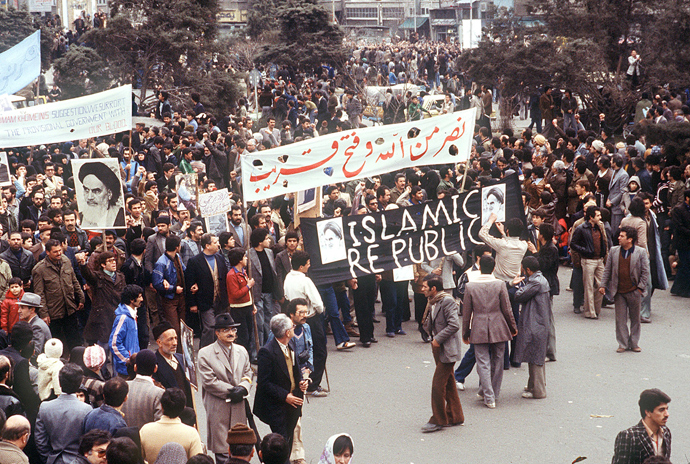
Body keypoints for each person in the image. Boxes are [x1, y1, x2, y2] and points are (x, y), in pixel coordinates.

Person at [462, 255, 517, 409]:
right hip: (498, 325)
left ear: (479, 267)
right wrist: (513, 327)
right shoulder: (500, 284)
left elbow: (466, 313)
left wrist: (465, 332)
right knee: (498, 361)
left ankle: (487, 394)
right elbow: (507, 309)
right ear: (494, 268)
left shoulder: (470, 286)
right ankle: (493, 393)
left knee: (483, 362)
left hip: (478, 325)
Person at [197, 313, 252, 464]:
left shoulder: (242, 351)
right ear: (217, 333)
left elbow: (248, 373)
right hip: (218, 406)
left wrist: (243, 387)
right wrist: (232, 391)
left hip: (238, 405)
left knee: (239, 448)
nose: (231, 333)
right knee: (222, 451)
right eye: (226, 330)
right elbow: (209, 381)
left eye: (233, 330)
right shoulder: (205, 353)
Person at [254, 314, 308, 452]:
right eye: (292, 327)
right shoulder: (267, 352)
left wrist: (301, 381)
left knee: (288, 440)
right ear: (287, 332)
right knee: (282, 442)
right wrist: (285, 396)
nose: (294, 328)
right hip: (277, 406)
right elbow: (263, 383)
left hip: (294, 402)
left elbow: (295, 368)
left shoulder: (290, 343)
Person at [420, 276, 464, 432]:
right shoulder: (433, 301)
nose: (422, 289)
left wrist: (437, 339)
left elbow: (454, 324)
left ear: (433, 288)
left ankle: (438, 420)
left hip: (447, 349)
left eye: (425, 286)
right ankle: (455, 416)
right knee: (450, 383)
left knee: (438, 386)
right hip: (439, 348)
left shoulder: (447, 301)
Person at [283, 251, 328, 396]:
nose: (309, 266)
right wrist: (320, 311)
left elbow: (286, 296)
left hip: (293, 317)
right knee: (318, 351)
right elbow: (317, 303)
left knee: (299, 350)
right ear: (302, 266)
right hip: (310, 318)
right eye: (308, 263)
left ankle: (301, 381)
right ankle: (313, 385)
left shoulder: (288, 278)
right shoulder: (305, 281)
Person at [600, 226, 649, 353]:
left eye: (622, 236)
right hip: (619, 291)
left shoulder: (641, 252)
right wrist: (603, 285)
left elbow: (645, 273)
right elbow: (608, 270)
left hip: (634, 290)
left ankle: (634, 343)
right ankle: (622, 343)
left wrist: (640, 289)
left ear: (630, 239)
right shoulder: (614, 251)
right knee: (620, 319)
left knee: (635, 318)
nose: (619, 238)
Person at [32, 239, 85, 354]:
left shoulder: (66, 261)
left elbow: (74, 280)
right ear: (47, 252)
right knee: (56, 343)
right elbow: (39, 293)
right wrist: (44, 314)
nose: (59, 254)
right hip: (53, 312)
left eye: (60, 250)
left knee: (74, 340)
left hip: (69, 308)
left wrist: (81, 297)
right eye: (55, 252)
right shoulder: (39, 269)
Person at [35, 364, 93, 464]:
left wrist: (47, 459)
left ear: (60, 383)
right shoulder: (87, 409)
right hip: (78, 460)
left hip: (53, 459)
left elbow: (40, 440)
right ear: (79, 384)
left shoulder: (45, 407)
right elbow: (89, 440)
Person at [512, 256, 551, 399]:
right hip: (540, 322)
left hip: (535, 323)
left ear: (528, 269)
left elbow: (518, 295)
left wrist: (518, 284)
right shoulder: (541, 279)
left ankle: (539, 391)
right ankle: (533, 385)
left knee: (535, 357)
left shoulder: (535, 282)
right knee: (534, 355)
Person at [185, 233, 229, 348]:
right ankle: (204, 352)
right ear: (207, 246)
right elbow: (190, 283)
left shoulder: (220, 258)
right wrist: (192, 304)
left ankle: (218, 351)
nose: (218, 244)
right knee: (210, 328)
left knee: (220, 327)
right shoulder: (194, 261)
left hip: (221, 300)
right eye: (215, 242)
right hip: (205, 301)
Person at [139, 388, 204, 462]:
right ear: (183, 408)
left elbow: (137, 459)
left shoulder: (146, 430)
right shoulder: (191, 433)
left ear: (161, 406)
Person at [570, 206, 609, 319]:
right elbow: (573, 243)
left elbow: (605, 242)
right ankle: (589, 311)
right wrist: (584, 251)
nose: (600, 217)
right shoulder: (581, 228)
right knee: (588, 287)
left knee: (601, 285)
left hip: (599, 259)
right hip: (588, 260)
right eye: (598, 215)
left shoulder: (599, 226)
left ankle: (596, 309)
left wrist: (604, 256)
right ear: (591, 217)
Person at [612, 389, 671, 464]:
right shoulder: (629, 436)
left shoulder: (666, 433)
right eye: (661, 410)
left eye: (667, 409)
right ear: (648, 412)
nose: (667, 414)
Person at [248, 228, 279, 349]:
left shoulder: (269, 252)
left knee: (269, 322)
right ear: (260, 241)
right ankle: (257, 350)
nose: (269, 240)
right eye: (266, 238)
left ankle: (269, 347)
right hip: (257, 293)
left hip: (269, 292)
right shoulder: (249, 254)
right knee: (258, 324)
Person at [152, 235, 186, 339]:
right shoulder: (161, 262)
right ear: (177, 247)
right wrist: (174, 288)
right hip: (169, 299)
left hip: (181, 298)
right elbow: (157, 283)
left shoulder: (178, 257)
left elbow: (184, 270)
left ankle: (183, 353)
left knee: (183, 328)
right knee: (174, 328)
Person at [151, 322, 193, 407]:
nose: (175, 343)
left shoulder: (182, 358)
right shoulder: (154, 364)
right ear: (159, 342)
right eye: (170, 339)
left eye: (175, 338)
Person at [119, 349, 164, 429]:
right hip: (147, 439)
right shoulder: (159, 393)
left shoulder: (123, 386)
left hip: (123, 439)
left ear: (135, 367)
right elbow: (159, 423)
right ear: (155, 368)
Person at [108, 285, 143, 377]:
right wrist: (127, 360)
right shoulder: (123, 318)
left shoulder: (132, 315)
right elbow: (114, 343)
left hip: (133, 368)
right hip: (125, 370)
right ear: (132, 300)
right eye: (139, 297)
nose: (142, 299)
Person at [77, 163, 125, 228]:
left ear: (109, 194)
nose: (90, 197)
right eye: (86, 190)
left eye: (96, 191)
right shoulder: (80, 217)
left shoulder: (121, 216)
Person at [17, 292, 51, 357]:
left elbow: (35, 352)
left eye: (22, 308)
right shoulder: (34, 323)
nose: (19, 311)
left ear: (32, 310)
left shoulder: (37, 326)